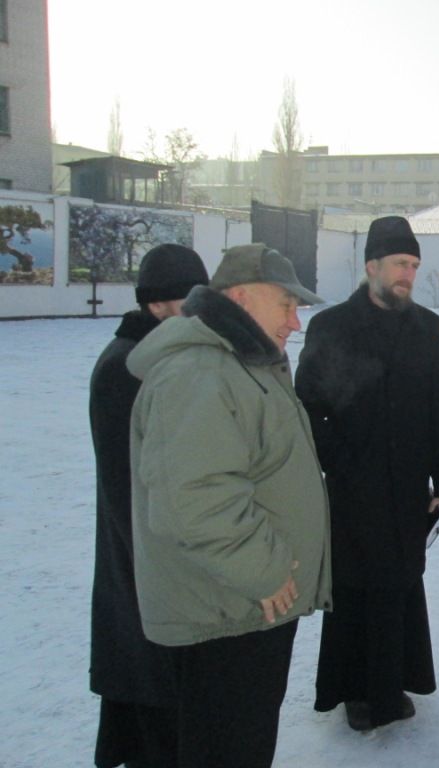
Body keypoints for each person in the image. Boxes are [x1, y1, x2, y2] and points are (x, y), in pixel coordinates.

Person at [127, 243, 331, 768]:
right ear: (240, 297)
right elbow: (193, 498)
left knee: (243, 742)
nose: (295, 322)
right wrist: (264, 572)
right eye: (285, 304)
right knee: (226, 750)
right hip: (227, 609)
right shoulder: (199, 370)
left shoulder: (241, 361)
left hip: (244, 607)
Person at [295, 215, 439, 731]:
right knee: (358, 589)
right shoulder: (331, 327)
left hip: (409, 487)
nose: (407, 274)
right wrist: (340, 462)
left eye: (413, 264)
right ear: (371, 266)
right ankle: (356, 693)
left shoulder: (427, 328)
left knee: (400, 585)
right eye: (399, 264)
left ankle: (392, 686)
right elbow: (308, 407)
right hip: (351, 488)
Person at [89, 244, 209, 768]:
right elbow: (126, 490)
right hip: (144, 562)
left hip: (163, 562)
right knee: (152, 700)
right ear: (157, 305)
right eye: (190, 304)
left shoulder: (164, 356)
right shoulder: (125, 368)